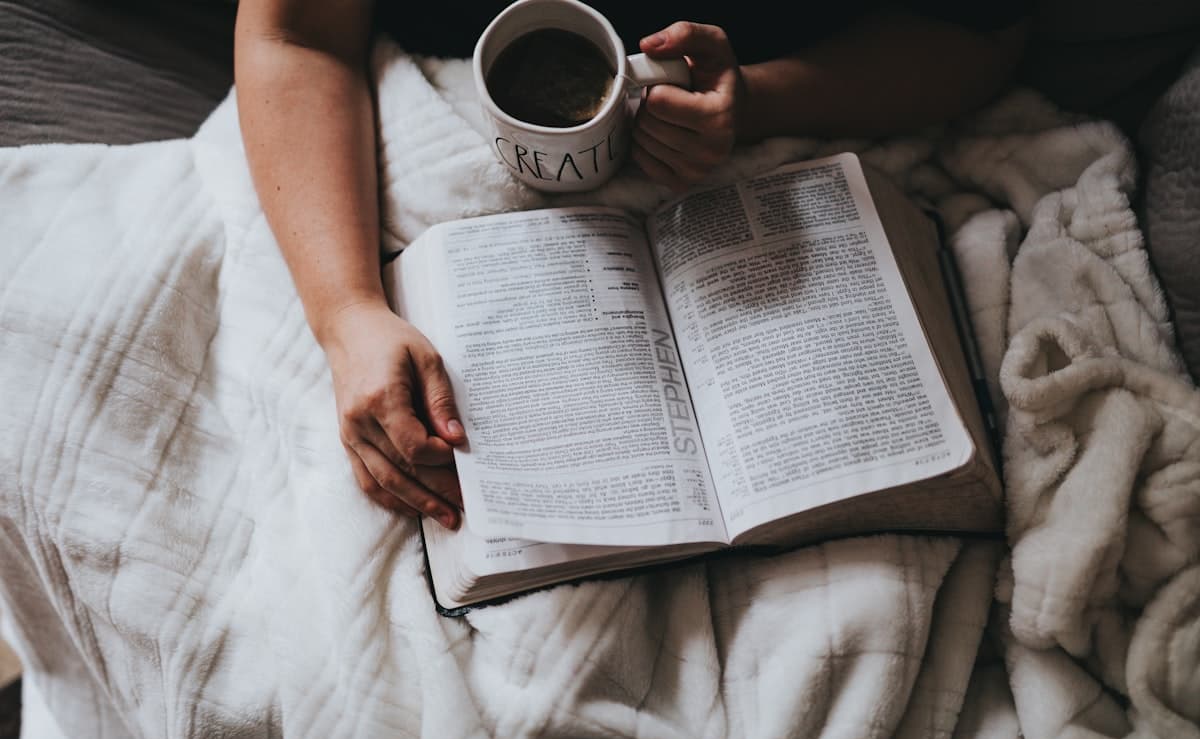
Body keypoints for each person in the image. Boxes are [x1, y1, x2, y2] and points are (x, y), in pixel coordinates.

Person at [233, 1, 1031, 529]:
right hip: (370, 178)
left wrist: (757, 99)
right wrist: (345, 311)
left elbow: (979, 39)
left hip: (790, 161)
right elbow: (293, 33)